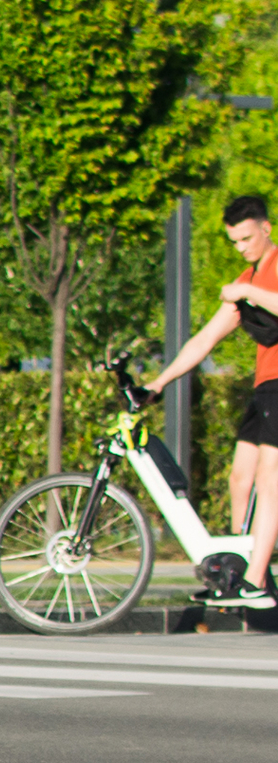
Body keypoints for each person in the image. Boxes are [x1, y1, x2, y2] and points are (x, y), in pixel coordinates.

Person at [145, 193, 278, 609]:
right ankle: (239, 566)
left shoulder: (266, 273)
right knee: (240, 479)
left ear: (266, 229)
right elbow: (205, 338)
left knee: (271, 479)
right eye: (235, 242)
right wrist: (159, 382)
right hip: (265, 387)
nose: (242, 247)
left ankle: (256, 582)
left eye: (246, 238)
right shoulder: (247, 282)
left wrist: (245, 290)